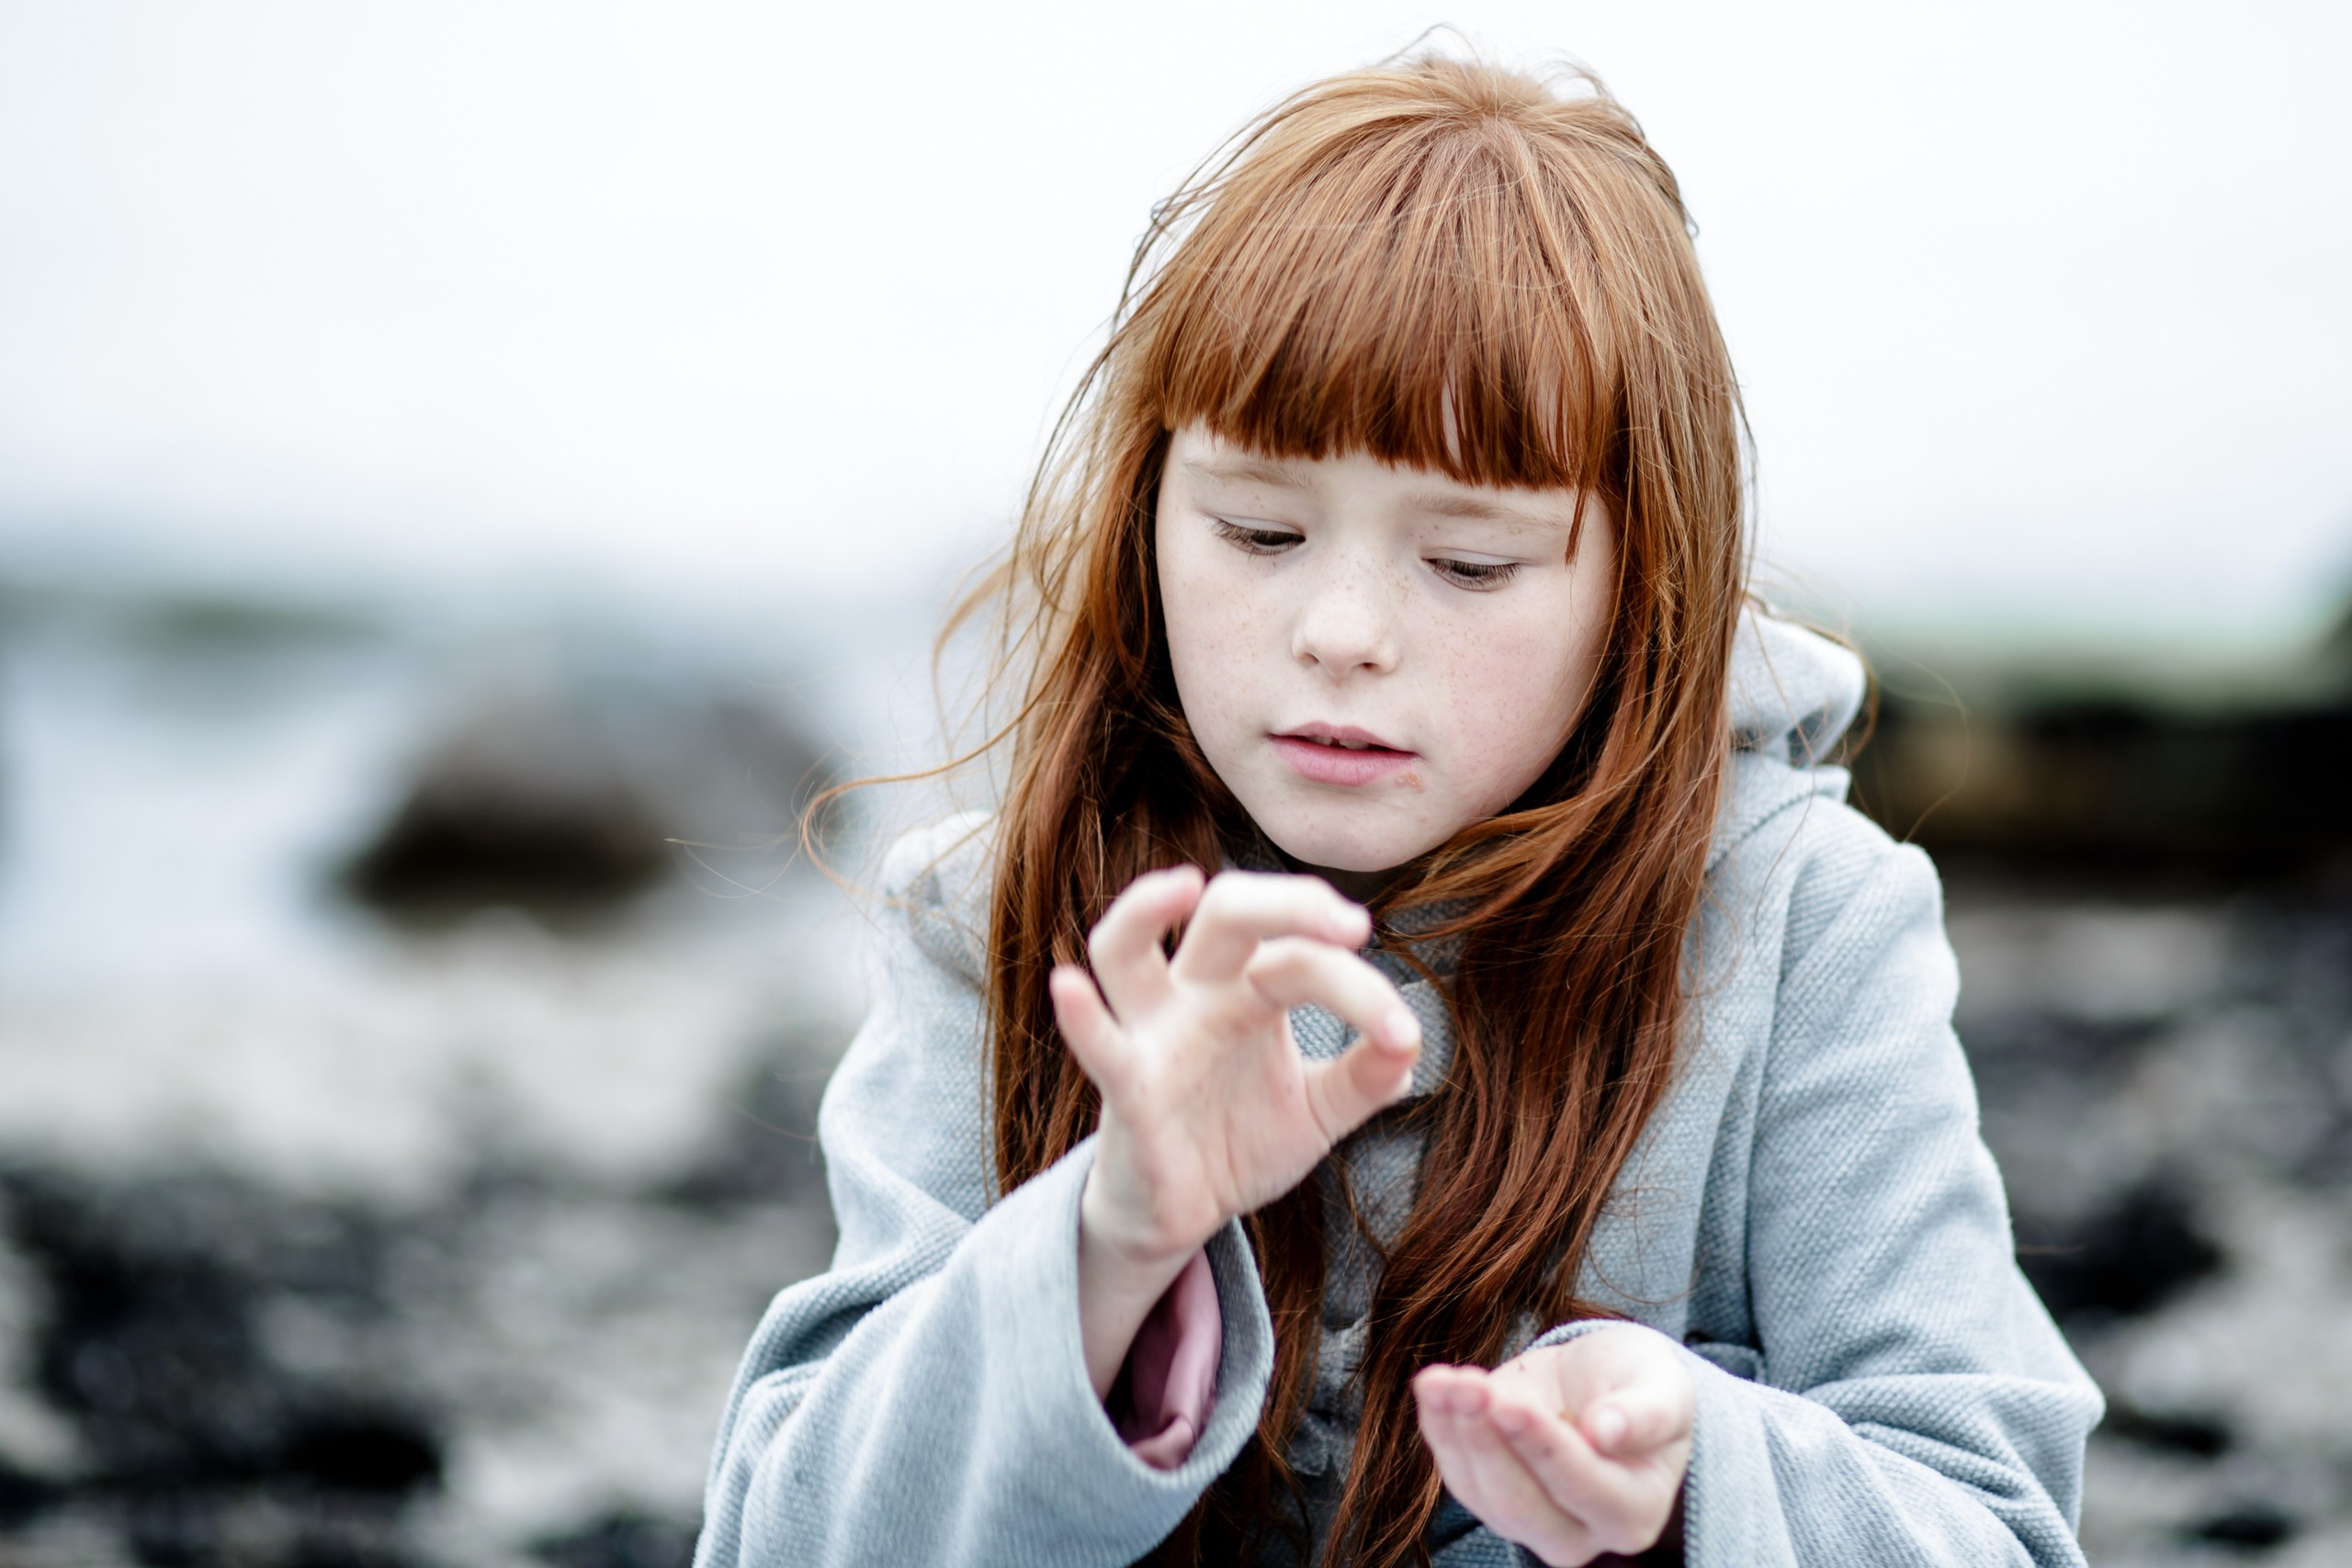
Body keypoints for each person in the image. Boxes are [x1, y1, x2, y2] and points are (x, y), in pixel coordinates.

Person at [692, 52, 2099, 1568]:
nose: (1342, 629)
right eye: (1258, 529)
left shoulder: (1805, 926)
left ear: (1642, 586)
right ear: (1146, 513)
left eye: (1471, 564)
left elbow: (1999, 1525)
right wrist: (1110, 1243)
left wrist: (1692, 1459)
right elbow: (783, 1535)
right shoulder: (1003, 913)